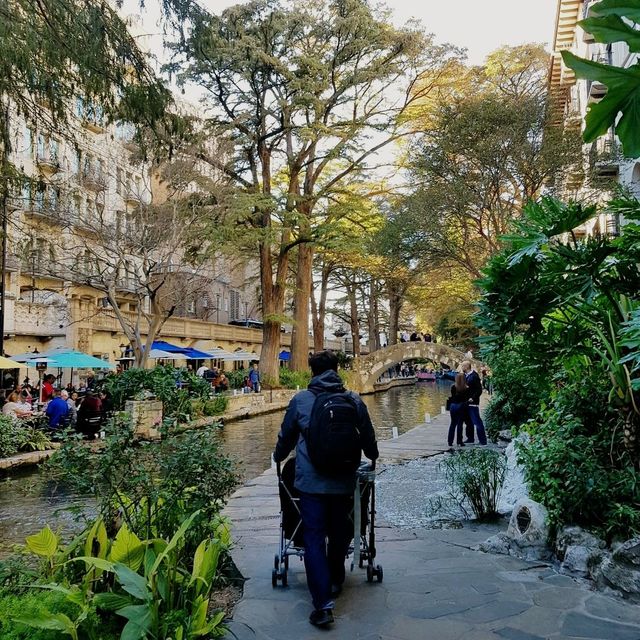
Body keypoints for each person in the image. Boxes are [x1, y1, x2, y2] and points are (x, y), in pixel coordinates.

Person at [273, 350, 379, 629]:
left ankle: (322, 604)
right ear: (337, 370)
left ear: (312, 372)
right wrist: (372, 455)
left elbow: (285, 439)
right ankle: (336, 578)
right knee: (340, 529)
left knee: (314, 537)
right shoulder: (353, 399)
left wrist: (277, 456)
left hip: (310, 482)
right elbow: (368, 439)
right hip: (344, 479)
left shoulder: (301, 400)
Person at [462, 360, 487, 445]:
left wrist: (473, 398)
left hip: (473, 403)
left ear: (466, 367)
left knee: (477, 421)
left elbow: (479, 390)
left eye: (462, 366)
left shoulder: (474, 376)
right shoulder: (465, 376)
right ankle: (470, 438)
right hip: (466, 402)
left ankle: (483, 441)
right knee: (468, 421)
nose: (461, 368)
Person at [447, 373, 469, 448]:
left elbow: (452, 396)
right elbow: (466, 398)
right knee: (460, 424)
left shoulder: (453, 386)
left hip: (453, 406)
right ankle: (459, 441)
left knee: (452, 424)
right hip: (461, 406)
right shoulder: (466, 388)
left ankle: (450, 441)